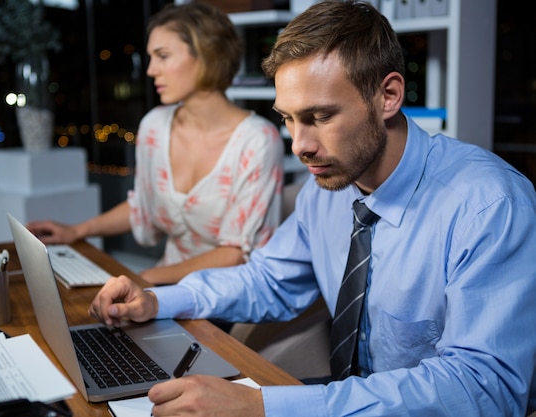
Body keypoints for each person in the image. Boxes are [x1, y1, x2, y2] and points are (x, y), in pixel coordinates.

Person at [88, 1, 536, 416]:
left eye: (320, 117)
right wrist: (157, 300)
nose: (300, 145)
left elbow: (487, 387)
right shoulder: (325, 187)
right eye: (288, 118)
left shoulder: (489, 205)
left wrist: (261, 407)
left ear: (389, 96)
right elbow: (267, 280)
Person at [27, 3, 284, 286]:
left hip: (227, 294)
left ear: (206, 57)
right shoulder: (154, 126)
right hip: (167, 285)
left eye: (162, 56)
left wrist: (145, 279)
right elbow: (142, 205)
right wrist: (77, 231)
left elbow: (236, 255)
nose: (151, 70)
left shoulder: (257, 141)